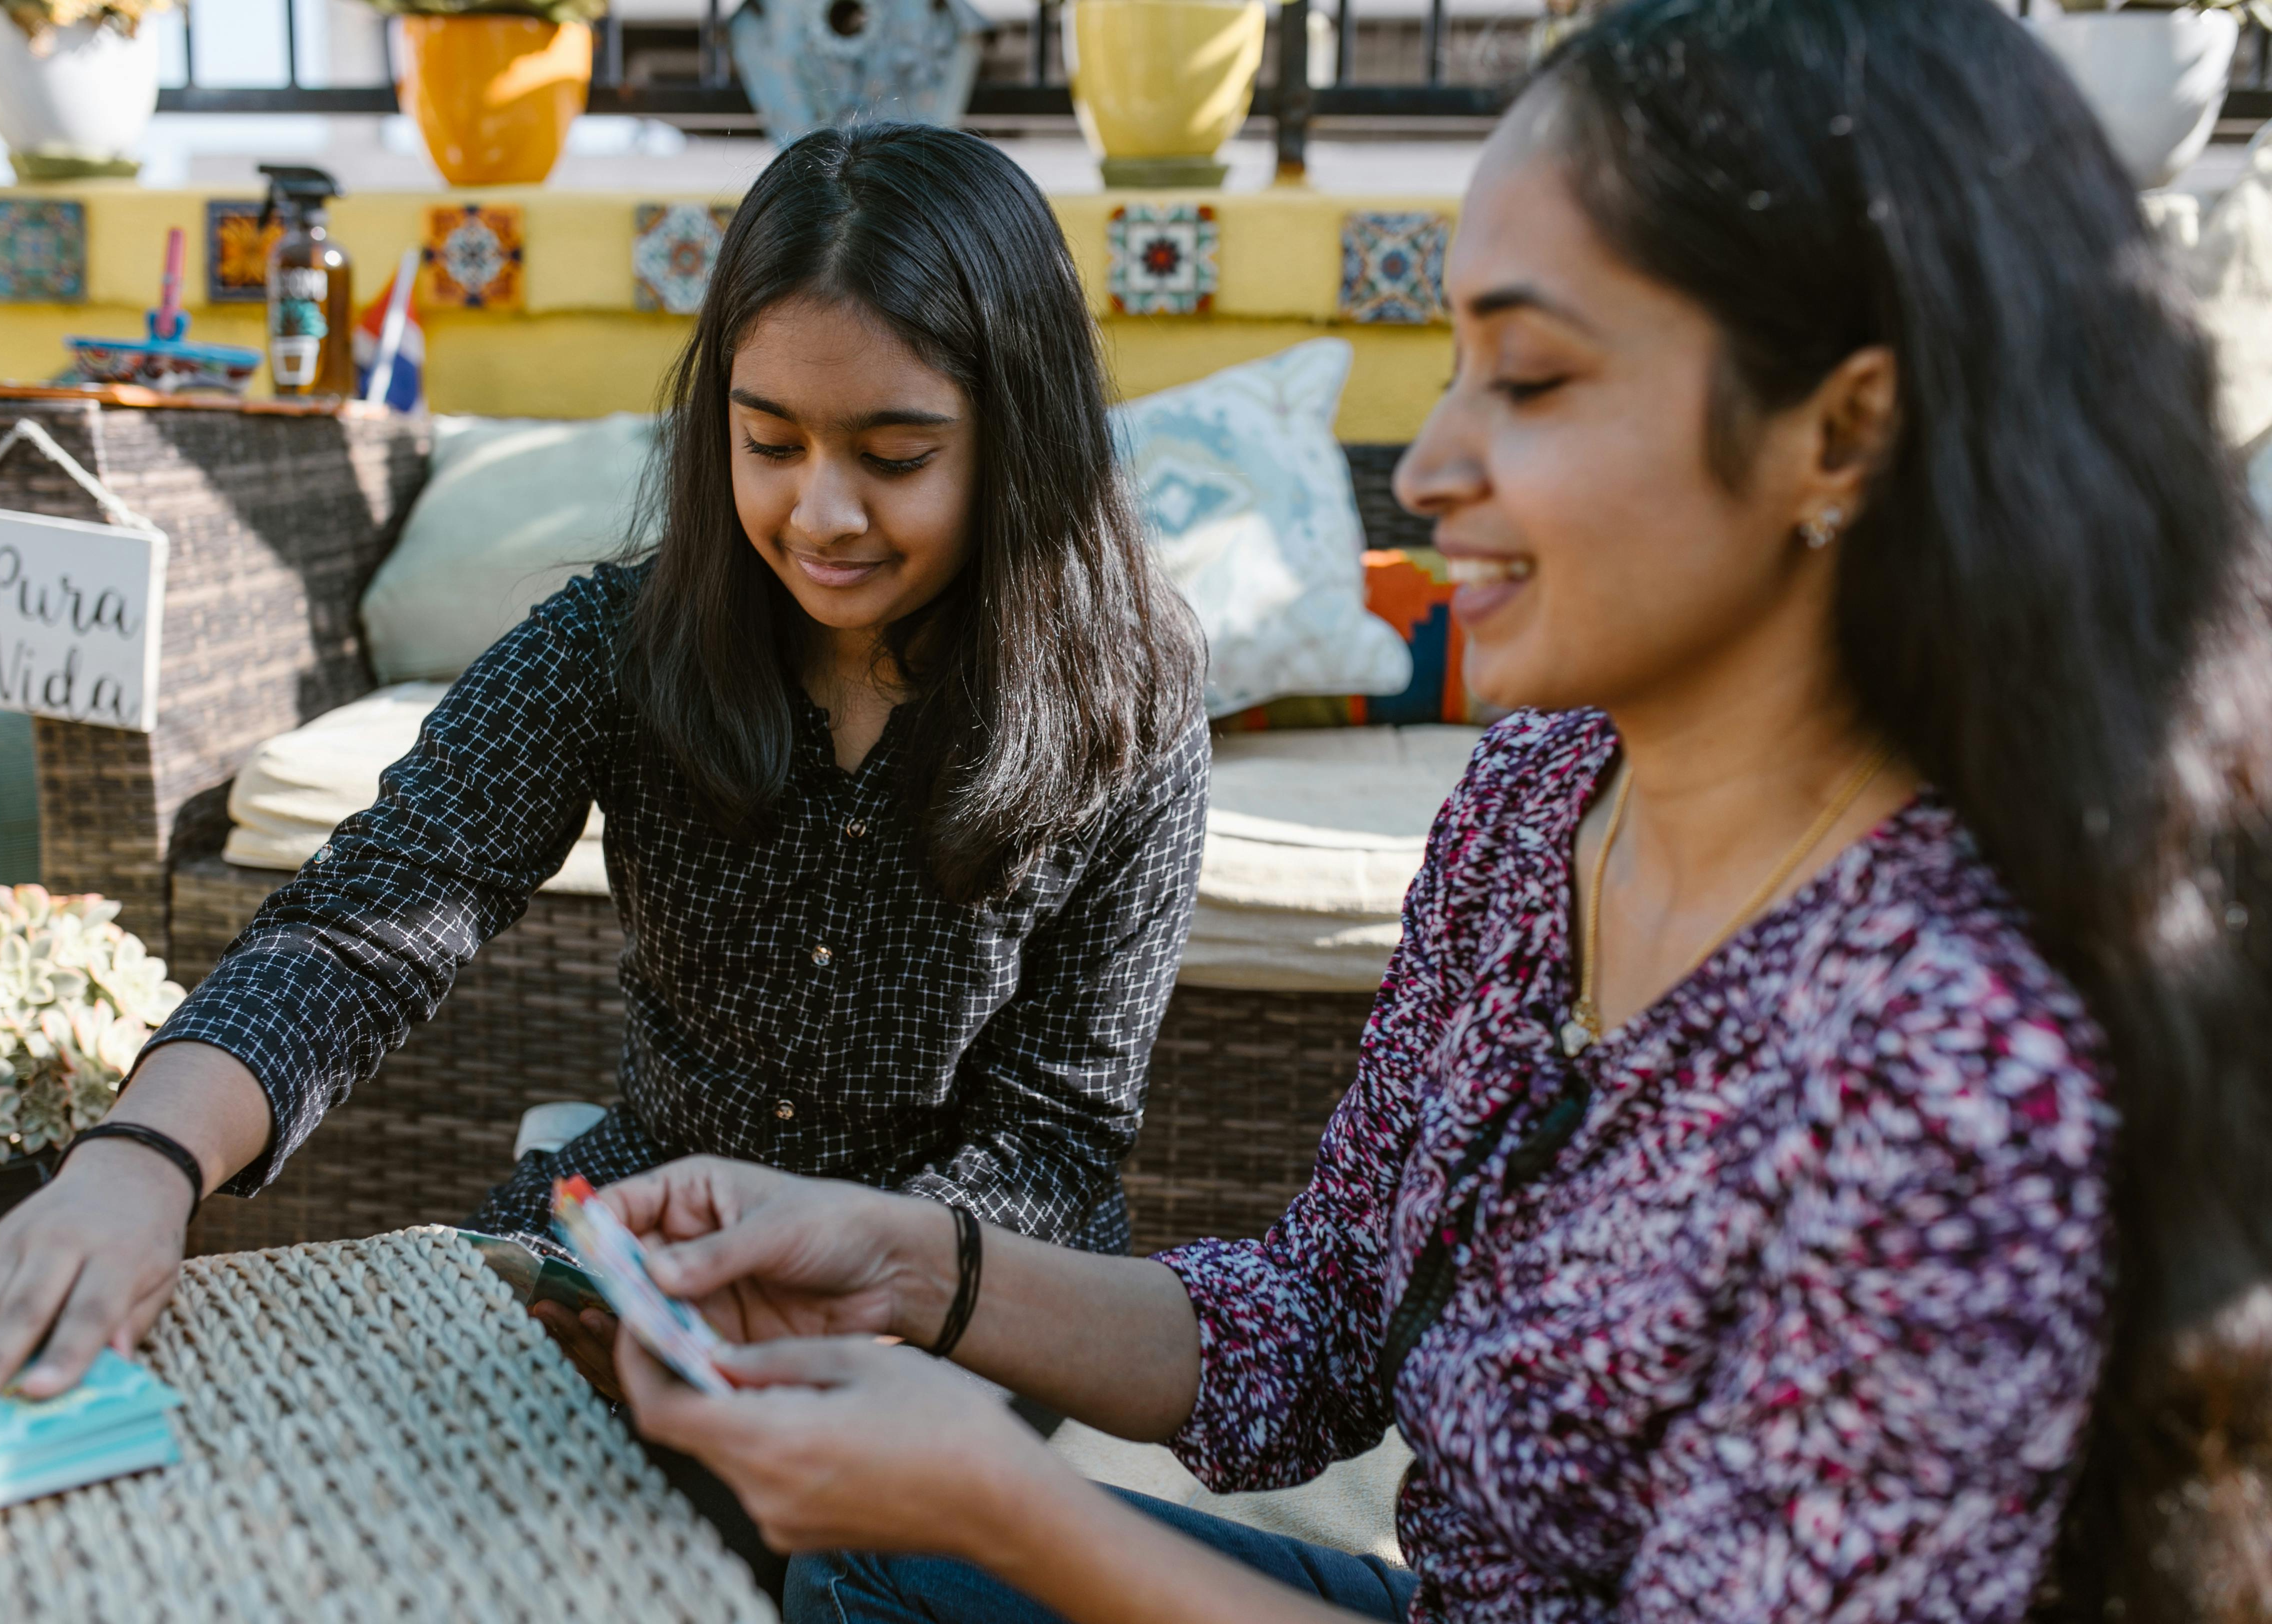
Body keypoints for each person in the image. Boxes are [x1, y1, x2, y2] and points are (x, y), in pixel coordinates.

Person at [573, 2, 2272, 1620]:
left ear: (1842, 432)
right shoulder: (1538, 805)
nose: (1433, 464)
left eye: (1528, 380)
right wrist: (910, 1267)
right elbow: (1320, 1326)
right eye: (1459, 366)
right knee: (874, 1573)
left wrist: (1003, 1500)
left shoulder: (1957, 1063)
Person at [0, 125, 1208, 1430]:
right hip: (647, 1233)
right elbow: (365, 923)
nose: (821, 514)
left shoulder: (1130, 701)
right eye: (769, 443)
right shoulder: (616, 647)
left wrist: (834, 1294)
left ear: (1021, 438)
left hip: (974, 1285)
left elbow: (1057, 1133)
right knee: (398, 1452)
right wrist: (138, 1164)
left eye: (896, 457)